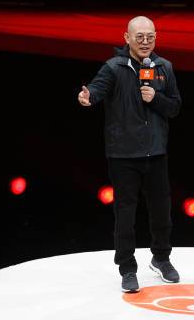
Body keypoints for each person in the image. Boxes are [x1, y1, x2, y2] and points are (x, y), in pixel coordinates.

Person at [78, 16, 182, 293]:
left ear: (156, 37)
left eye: (150, 36)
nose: (145, 42)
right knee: (125, 215)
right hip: (123, 155)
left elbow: (175, 107)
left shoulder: (164, 67)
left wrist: (155, 98)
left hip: (156, 152)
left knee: (162, 212)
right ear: (126, 38)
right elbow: (97, 89)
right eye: (139, 37)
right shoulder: (113, 68)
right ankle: (127, 268)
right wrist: (88, 96)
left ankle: (161, 259)